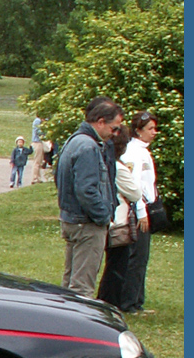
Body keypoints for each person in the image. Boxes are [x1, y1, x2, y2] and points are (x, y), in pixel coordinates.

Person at [56, 97, 124, 297]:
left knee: (69, 284)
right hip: (86, 225)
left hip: (72, 220)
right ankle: (75, 327)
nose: (115, 134)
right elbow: (87, 190)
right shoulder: (88, 147)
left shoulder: (74, 141)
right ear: (101, 121)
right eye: (114, 128)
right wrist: (103, 216)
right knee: (82, 288)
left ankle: (63, 323)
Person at [118, 111, 161, 314]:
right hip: (138, 210)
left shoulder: (143, 151)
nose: (154, 132)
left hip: (145, 207)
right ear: (138, 130)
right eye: (150, 129)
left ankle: (137, 300)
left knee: (142, 257)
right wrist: (142, 211)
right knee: (137, 257)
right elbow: (134, 185)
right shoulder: (133, 152)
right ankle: (128, 302)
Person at [96, 125, 141, 308]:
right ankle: (109, 301)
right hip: (118, 224)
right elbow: (136, 193)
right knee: (116, 266)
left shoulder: (102, 162)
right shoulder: (118, 168)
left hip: (106, 220)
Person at [29, 116, 46, 184]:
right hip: (37, 142)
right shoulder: (37, 121)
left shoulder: (39, 121)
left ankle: (38, 177)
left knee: (39, 161)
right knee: (37, 161)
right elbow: (38, 131)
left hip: (39, 142)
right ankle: (35, 178)